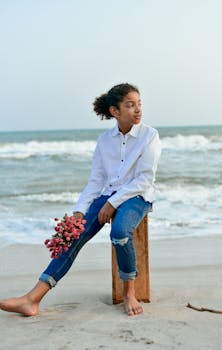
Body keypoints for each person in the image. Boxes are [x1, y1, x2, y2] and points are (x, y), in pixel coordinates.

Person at [0, 83, 162, 317]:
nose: (138, 110)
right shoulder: (104, 140)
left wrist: (112, 203)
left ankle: (129, 293)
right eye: (130, 105)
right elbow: (96, 181)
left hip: (137, 196)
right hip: (108, 195)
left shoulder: (150, 136)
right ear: (115, 111)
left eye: (139, 104)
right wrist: (79, 211)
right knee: (72, 236)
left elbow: (145, 179)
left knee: (119, 232)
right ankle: (32, 299)